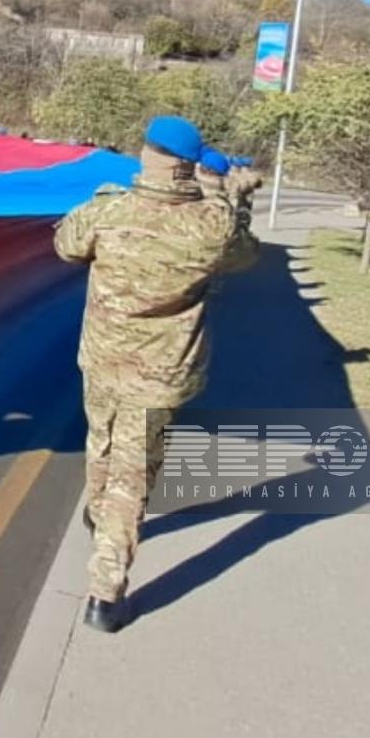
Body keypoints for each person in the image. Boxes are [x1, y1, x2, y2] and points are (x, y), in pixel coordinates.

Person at [53, 116, 258, 632]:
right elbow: (243, 256)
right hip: (159, 374)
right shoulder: (210, 225)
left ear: (144, 155)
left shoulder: (108, 210)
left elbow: (65, 245)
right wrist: (235, 199)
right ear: (188, 167)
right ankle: (105, 592)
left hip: (100, 359)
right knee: (133, 474)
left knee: (99, 440)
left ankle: (98, 515)